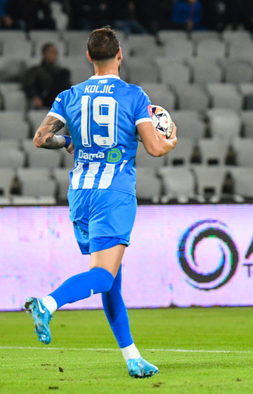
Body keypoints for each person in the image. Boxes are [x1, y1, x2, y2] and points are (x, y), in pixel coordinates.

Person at [24, 26, 178, 378]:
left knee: (111, 278)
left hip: (80, 194)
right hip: (113, 193)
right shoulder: (134, 96)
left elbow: (40, 137)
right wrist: (171, 140)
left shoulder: (69, 95)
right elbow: (154, 148)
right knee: (105, 277)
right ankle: (47, 303)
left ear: (89, 56)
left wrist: (67, 144)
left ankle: (132, 357)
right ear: (119, 54)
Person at [23, 43, 71, 110]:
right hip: (46, 97)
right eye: (52, 52)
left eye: (55, 52)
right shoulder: (37, 70)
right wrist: (35, 97)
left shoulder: (61, 72)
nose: (55, 55)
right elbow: (28, 85)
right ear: (45, 54)